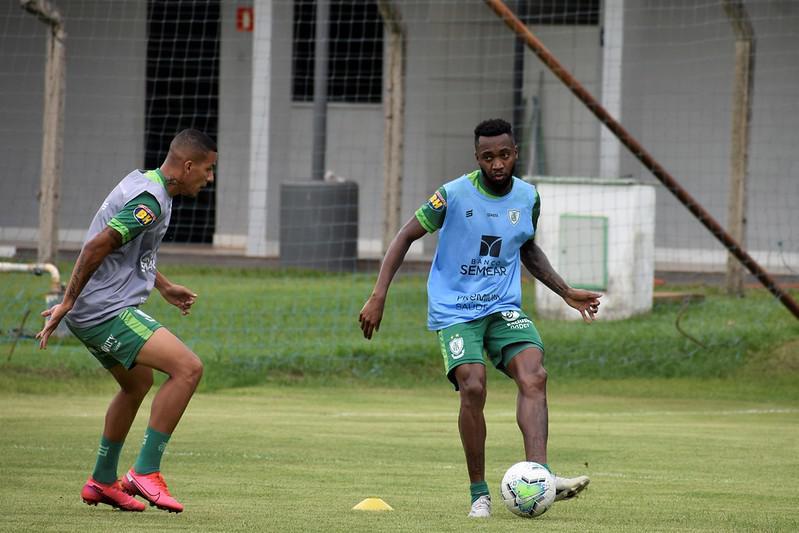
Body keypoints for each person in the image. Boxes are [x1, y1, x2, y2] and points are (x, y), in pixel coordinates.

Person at [359, 118, 600, 518]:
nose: (498, 164)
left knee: (534, 376)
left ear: (515, 153)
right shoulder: (451, 195)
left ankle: (539, 476)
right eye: (488, 157)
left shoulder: (528, 198)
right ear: (477, 159)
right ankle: (479, 495)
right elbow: (404, 237)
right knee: (473, 386)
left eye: (504, 155)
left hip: (502, 307)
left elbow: (527, 248)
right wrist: (378, 294)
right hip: (455, 310)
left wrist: (565, 291)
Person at [36, 128, 217, 513]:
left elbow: (128, 251)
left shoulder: (148, 184)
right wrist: (67, 301)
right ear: (187, 166)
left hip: (98, 308)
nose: (209, 177)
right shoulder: (150, 201)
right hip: (105, 310)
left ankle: (102, 480)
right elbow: (98, 245)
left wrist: (163, 286)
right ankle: (145, 472)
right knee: (188, 368)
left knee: (137, 385)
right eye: (207, 168)